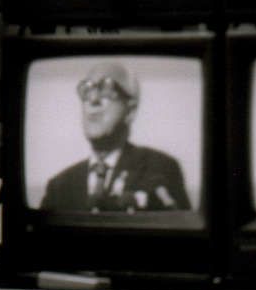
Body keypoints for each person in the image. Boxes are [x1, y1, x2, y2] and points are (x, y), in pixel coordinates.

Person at [40, 61, 191, 214]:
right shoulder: (58, 187)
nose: (93, 100)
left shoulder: (160, 170)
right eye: (86, 89)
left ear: (130, 111)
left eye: (106, 88)